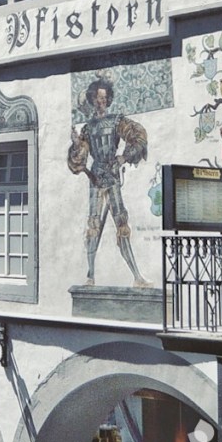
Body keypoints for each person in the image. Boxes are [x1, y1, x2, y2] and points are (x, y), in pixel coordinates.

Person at [68, 76, 151, 287]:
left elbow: (138, 134)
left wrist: (124, 156)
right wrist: (77, 144)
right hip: (95, 177)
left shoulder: (116, 120)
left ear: (108, 99)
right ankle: (90, 275)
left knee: (121, 223)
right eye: (97, 98)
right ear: (92, 99)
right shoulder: (88, 128)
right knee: (94, 225)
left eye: (103, 98)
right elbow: (79, 160)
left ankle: (137, 276)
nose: (100, 101)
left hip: (112, 175)